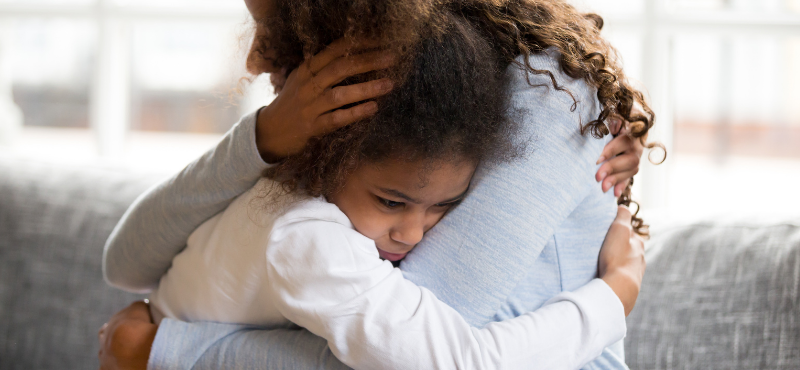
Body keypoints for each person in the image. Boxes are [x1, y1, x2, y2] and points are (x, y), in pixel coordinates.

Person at [99, 0, 653, 369]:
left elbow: (424, 356)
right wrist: (262, 138)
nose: (255, 54)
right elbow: (126, 263)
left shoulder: (550, 91)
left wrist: (163, 349)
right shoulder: (358, 124)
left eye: (271, 16)